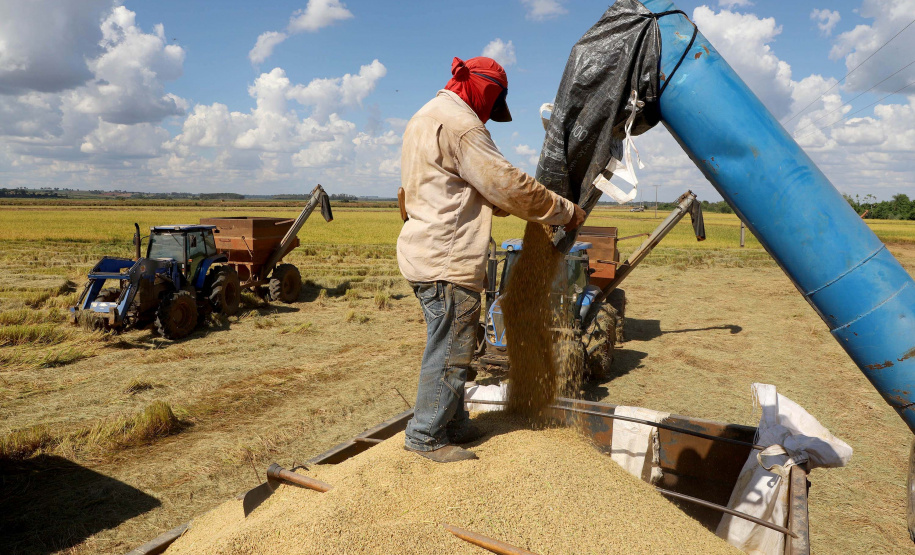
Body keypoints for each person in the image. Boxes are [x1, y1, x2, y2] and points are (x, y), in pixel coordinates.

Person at [397, 56, 586, 463]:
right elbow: (506, 183)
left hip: (423, 250)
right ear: (483, 88)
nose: (489, 112)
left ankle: (452, 423)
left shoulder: (425, 116)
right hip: (447, 256)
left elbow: (458, 187)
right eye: (493, 101)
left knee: (452, 345)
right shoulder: (463, 126)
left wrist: (498, 204)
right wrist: (565, 211)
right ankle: (426, 436)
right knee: (451, 349)